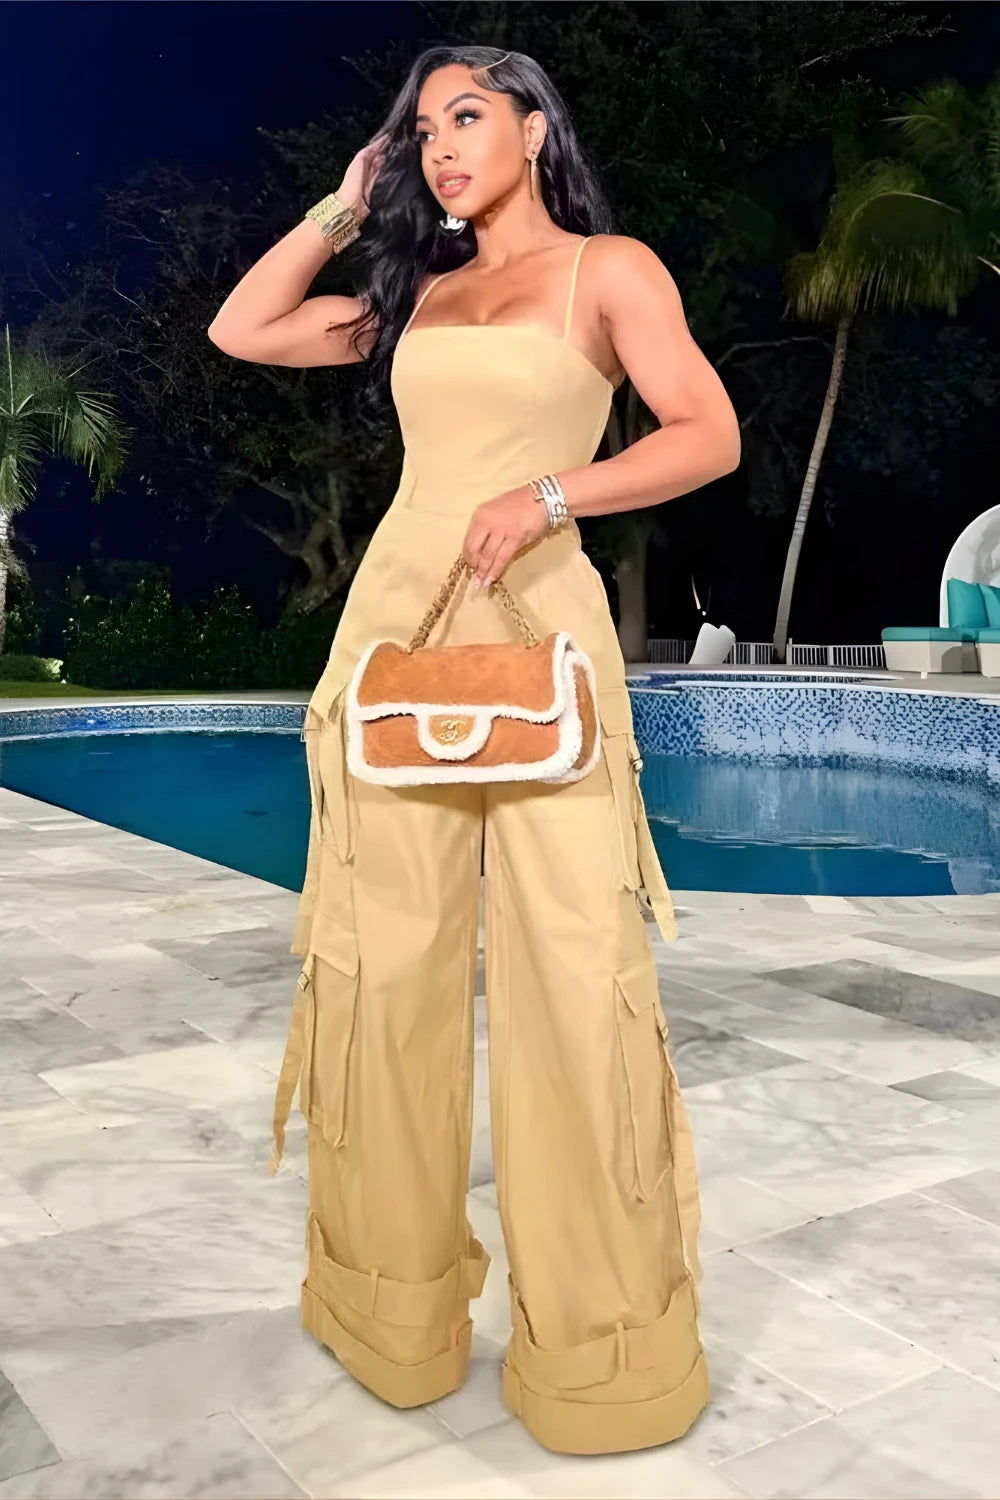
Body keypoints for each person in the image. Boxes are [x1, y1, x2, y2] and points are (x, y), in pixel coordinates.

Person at [208, 44, 739, 1457]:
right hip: (397, 638)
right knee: (387, 980)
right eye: (419, 128)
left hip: (543, 643)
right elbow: (242, 331)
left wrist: (554, 490)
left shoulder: (608, 271)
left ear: (532, 129)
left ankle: (604, 1360)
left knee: (578, 982)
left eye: (466, 117)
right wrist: (339, 208)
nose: (440, 145)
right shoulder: (415, 295)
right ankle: (395, 1315)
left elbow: (707, 433)